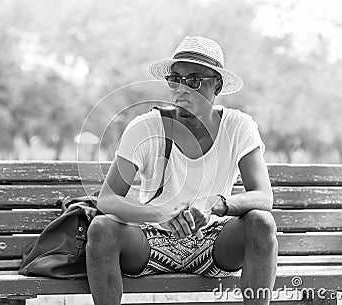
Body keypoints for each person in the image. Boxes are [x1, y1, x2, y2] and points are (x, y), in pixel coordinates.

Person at [86, 35, 277, 305]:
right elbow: (107, 200)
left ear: (217, 86)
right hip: (151, 242)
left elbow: (263, 197)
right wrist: (159, 213)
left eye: (194, 81)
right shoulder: (145, 128)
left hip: (213, 241)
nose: (182, 90)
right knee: (101, 228)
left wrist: (215, 205)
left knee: (261, 223)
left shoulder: (238, 127)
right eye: (175, 79)